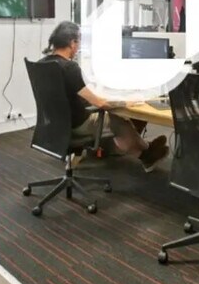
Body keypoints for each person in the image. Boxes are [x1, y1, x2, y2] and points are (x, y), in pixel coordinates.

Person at [40, 21, 169, 172]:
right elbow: (100, 103)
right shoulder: (69, 67)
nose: (78, 47)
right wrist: (126, 102)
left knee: (115, 117)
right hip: (78, 124)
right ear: (72, 43)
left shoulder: (43, 64)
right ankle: (145, 154)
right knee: (118, 118)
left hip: (56, 124)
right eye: (79, 42)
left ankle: (147, 149)